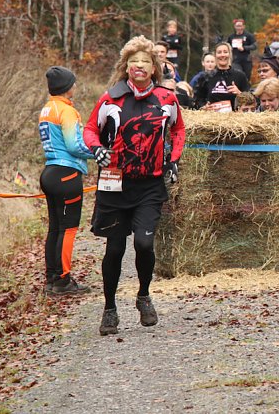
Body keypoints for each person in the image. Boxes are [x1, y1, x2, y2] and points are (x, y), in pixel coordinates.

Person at [84, 35, 185, 336]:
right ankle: (109, 309)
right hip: (114, 180)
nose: (139, 66)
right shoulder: (110, 98)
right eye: (133, 62)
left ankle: (143, 295)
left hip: (150, 183)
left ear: (154, 68)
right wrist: (96, 149)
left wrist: (173, 159)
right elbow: (90, 129)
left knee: (143, 243)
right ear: (126, 67)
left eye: (145, 62)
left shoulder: (167, 99)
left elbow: (178, 129)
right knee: (115, 248)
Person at [39, 66, 94, 296]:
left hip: (50, 172)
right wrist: (98, 152)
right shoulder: (67, 111)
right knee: (68, 229)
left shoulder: (47, 109)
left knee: (55, 228)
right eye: (73, 83)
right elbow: (74, 145)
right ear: (66, 87)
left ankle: (52, 278)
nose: (76, 86)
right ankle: (63, 281)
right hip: (66, 174)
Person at [195, 41, 250, 112]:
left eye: (225, 52)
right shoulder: (206, 76)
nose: (222, 55)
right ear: (215, 55)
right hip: (211, 116)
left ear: (230, 54)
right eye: (219, 52)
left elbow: (251, 100)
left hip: (234, 117)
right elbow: (197, 99)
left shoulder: (240, 76)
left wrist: (239, 93)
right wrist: (204, 107)